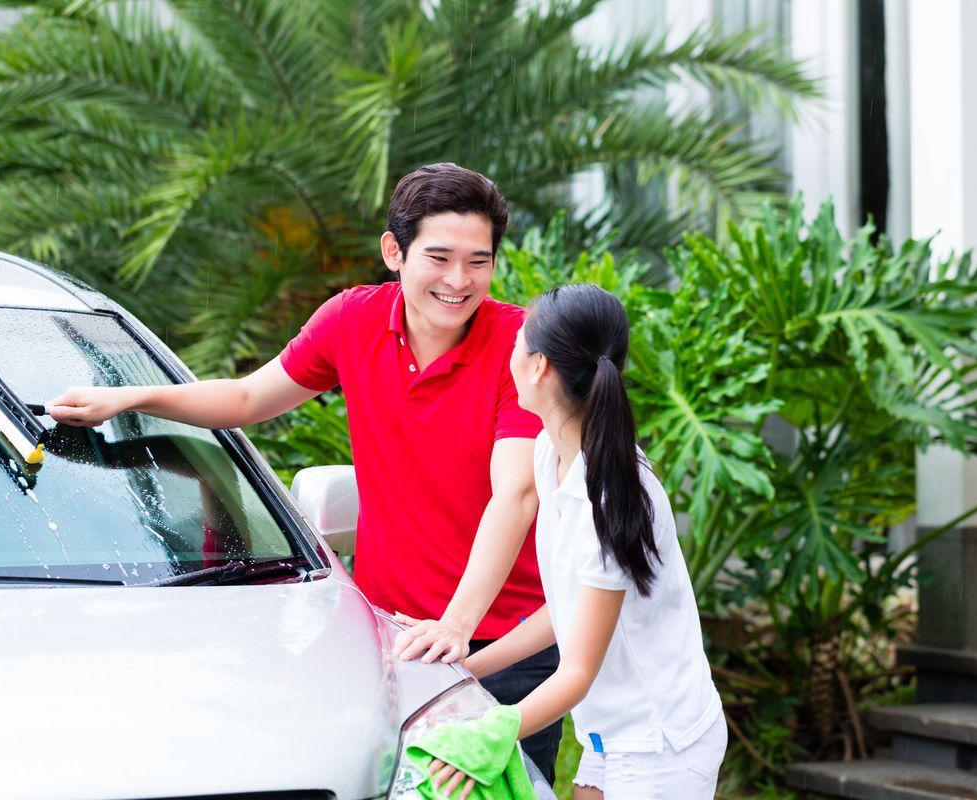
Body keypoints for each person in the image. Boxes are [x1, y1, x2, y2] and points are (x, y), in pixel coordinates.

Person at [43, 163, 564, 780]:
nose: (459, 280)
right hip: (390, 639)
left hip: (506, 642)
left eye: (478, 261)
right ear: (394, 252)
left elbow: (517, 493)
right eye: (439, 257)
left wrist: (457, 624)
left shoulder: (519, 346)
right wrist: (129, 399)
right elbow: (246, 399)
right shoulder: (352, 320)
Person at [418, 284, 726, 800]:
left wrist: (492, 731)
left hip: (659, 743)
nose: (510, 351)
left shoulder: (608, 495)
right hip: (610, 732)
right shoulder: (550, 453)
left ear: (539, 366)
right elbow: (568, 609)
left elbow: (577, 671)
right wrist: (465, 668)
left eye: (518, 340)